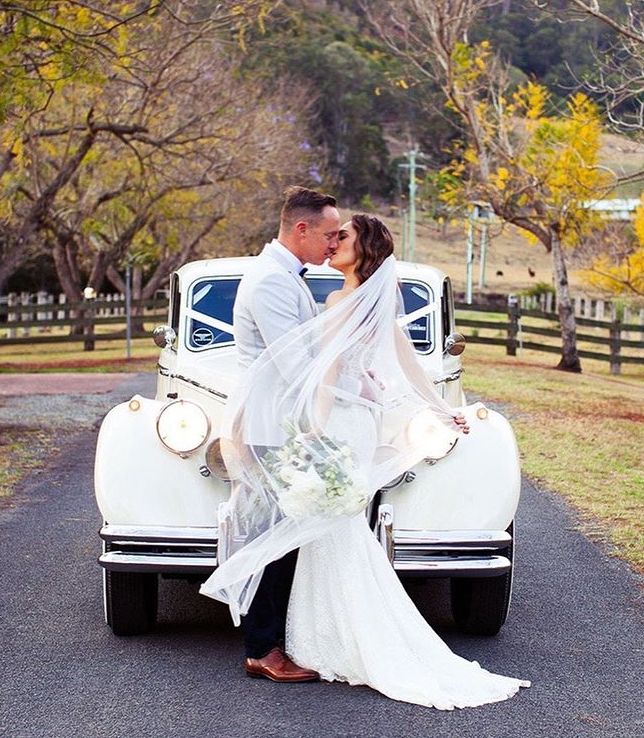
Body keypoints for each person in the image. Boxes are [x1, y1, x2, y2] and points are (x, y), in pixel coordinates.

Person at [201, 212, 530, 708]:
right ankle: (334, 638)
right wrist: (442, 407)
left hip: (336, 425)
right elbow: (408, 364)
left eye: (344, 237)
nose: (335, 244)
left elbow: (326, 374)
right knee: (334, 531)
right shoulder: (374, 301)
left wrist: (311, 432)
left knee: (326, 531)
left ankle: (335, 641)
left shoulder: (338, 300)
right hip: (356, 426)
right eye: (332, 235)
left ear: (364, 248)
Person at [221, 185, 341, 682]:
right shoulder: (271, 281)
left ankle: (270, 642)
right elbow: (296, 367)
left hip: (281, 422)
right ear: (301, 229)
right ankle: (261, 648)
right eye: (330, 235)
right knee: (272, 539)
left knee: (284, 536)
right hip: (271, 424)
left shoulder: (284, 275)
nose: (334, 244)